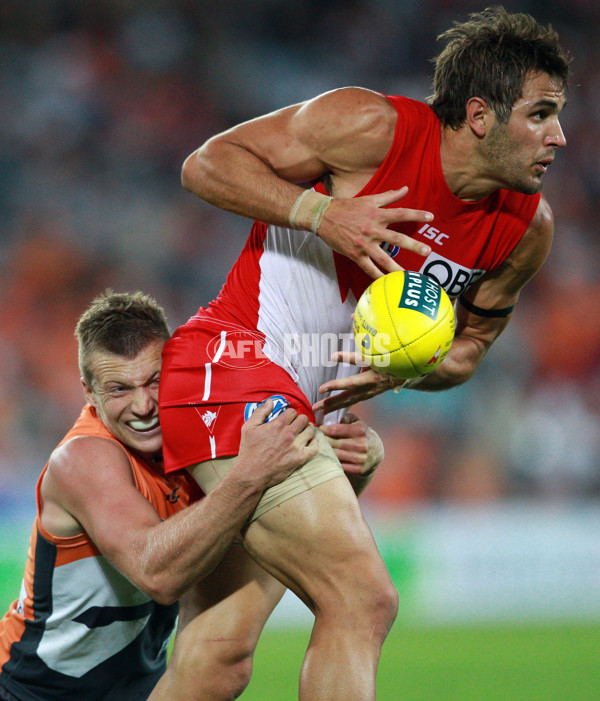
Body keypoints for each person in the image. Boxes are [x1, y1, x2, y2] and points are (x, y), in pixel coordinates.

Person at [154, 7, 571, 701]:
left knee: (217, 656)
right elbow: (205, 164)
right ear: (479, 115)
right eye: (540, 113)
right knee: (363, 596)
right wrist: (320, 212)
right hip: (231, 363)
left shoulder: (526, 230)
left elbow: (468, 351)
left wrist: (406, 368)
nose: (558, 135)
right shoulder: (370, 128)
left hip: (303, 416)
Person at [0, 290, 320, 701]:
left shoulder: (193, 438)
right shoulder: (83, 458)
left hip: (137, 690)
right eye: (118, 389)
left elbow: (272, 532)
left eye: (155, 380)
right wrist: (249, 475)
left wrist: (339, 464)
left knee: (224, 664)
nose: (143, 405)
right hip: (31, 692)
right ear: (88, 394)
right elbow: (159, 574)